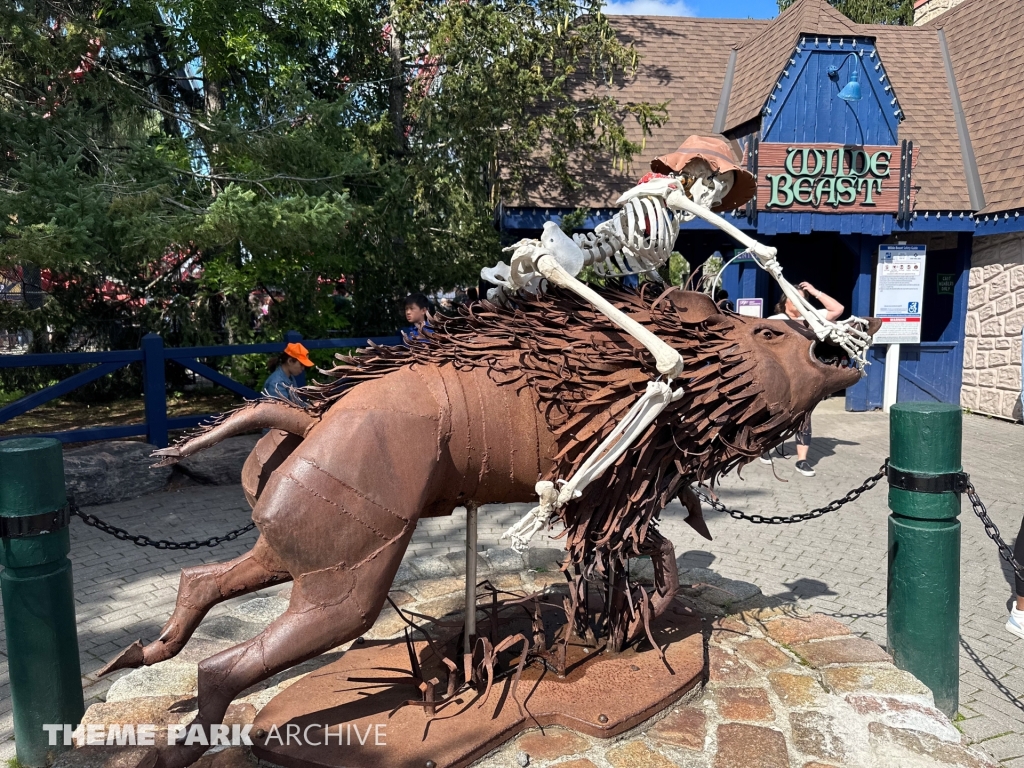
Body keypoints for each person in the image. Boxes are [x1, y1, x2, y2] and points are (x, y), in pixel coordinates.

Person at [760, 281, 844, 478]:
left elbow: (837, 309)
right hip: (780, 375)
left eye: (801, 299)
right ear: (785, 301)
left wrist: (814, 292)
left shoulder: (811, 319)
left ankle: (802, 460)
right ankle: (765, 447)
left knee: (804, 415)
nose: (797, 303)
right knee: (772, 412)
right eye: (793, 298)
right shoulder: (775, 320)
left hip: (804, 376)